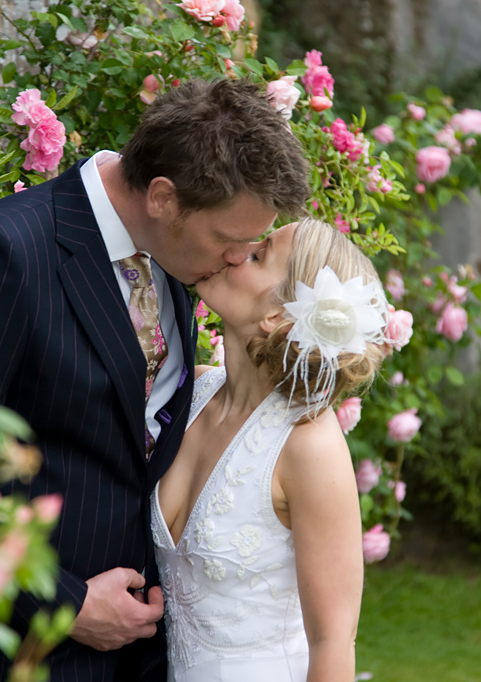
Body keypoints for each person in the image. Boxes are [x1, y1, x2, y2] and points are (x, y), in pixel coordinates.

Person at [0, 78, 310, 682]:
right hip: (18, 652)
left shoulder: (172, 259)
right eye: (229, 239)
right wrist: (64, 603)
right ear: (163, 197)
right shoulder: (2, 255)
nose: (239, 259)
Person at [152, 217, 388, 682]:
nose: (238, 247)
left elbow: (333, 641)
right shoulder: (188, 393)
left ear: (277, 317)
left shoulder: (309, 443)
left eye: (259, 254)